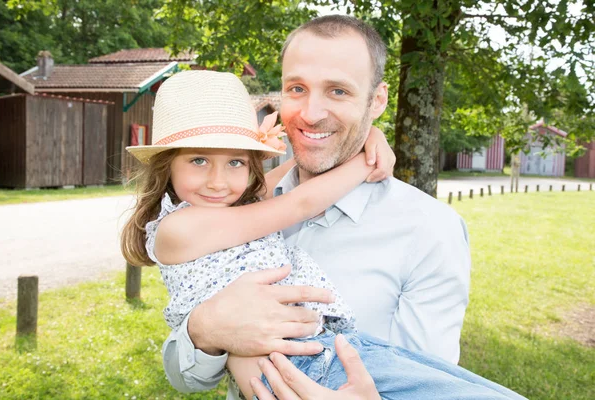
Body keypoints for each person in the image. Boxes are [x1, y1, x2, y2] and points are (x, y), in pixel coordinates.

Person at [121, 70, 525, 400]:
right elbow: (299, 202)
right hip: (299, 364)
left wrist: (367, 135)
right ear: (166, 167)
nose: (219, 181)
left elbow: (288, 172)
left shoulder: (228, 206)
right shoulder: (181, 227)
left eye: (236, 163)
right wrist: (367, 161)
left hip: (330, 348)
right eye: (198, 160)